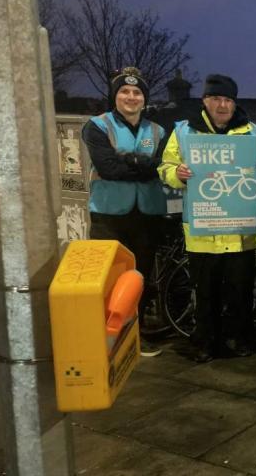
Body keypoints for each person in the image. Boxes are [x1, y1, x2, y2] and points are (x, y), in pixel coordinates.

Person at [158, 74, 256, 362]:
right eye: (216, 99)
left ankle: (240, 338)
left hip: (241, 231)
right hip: (203, 230)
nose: (222, 105)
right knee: (206, 292)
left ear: (234, 103)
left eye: (228, 100)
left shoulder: (253, 131)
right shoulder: (184, 132)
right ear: (205, 101)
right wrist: (177, 174)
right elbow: (165, 167)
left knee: (240, 291)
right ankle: (205, 343)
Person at [83, 67, 167, 357]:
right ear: (115, 96)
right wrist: (141, 165)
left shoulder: (158, 130)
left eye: (137, 92)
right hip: (109, 215)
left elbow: (160, 168)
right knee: (109, 278)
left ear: (144, 99)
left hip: (147, 213)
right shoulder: (97, 126)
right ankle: (107, 342)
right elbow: (107, 168)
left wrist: (129, 161)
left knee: (140, 276)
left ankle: (136, 335)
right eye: (124, 91)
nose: (131, 97)